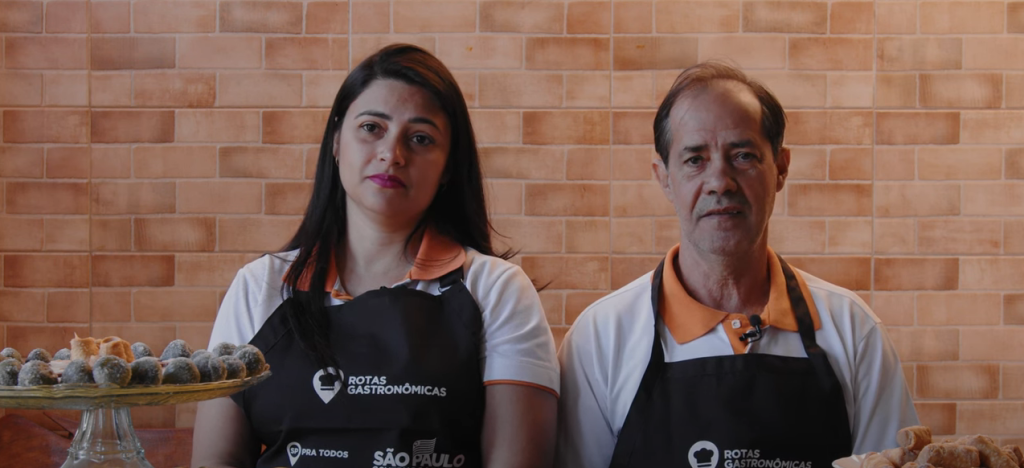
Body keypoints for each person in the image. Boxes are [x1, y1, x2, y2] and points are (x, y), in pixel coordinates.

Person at [191, 44, 559, 468]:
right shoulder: (260, 287)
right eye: (371, 128)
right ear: (336, 141)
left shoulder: (497, 290)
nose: (392, 154)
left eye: (420, 138)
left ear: (448, 167)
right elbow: (216, 460)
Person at [555, 62, 918, 468]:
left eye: (743, 156)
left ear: (781, 168)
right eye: (695, 160)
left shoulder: (853, 331)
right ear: (664, 177)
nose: (720, 182)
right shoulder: (602, 338)